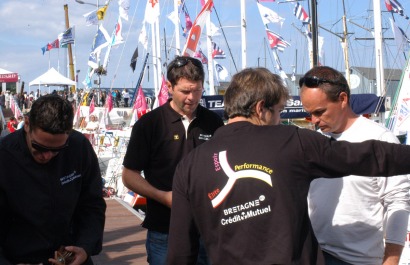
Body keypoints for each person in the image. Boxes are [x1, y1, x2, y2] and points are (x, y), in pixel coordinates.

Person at [166, 67, 410, 265]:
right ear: (261, 108)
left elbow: (180, 252)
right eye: (280, 111)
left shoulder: (189, 166)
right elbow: (368, 156)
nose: (280, 120)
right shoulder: (292, 141)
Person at [299, 66, 410, 265]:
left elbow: (398, 203)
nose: (314, 121)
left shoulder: (380, 138)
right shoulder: (314, 142)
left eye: (319, 112)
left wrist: (391, 261)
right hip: (314, 255)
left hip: (358, 260)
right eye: (309, 114)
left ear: (342, 99)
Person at [122, 55, 224, 265]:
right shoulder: (149, 124)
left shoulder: (214, 122)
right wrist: (163, 197)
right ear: (169, 87)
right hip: (164, 229)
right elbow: (129, 175)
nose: (192, 98)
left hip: (207, 229)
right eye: (185, 91)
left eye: (197, 90)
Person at [0, 94, 106, 265]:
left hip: (69, 256)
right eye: (39, 147)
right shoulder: (4, 156)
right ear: (27, 124)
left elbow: (92, 205)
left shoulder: (79, 147)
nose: (47, 155)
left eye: (57, 149)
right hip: (18, 257)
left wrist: (85, 247)